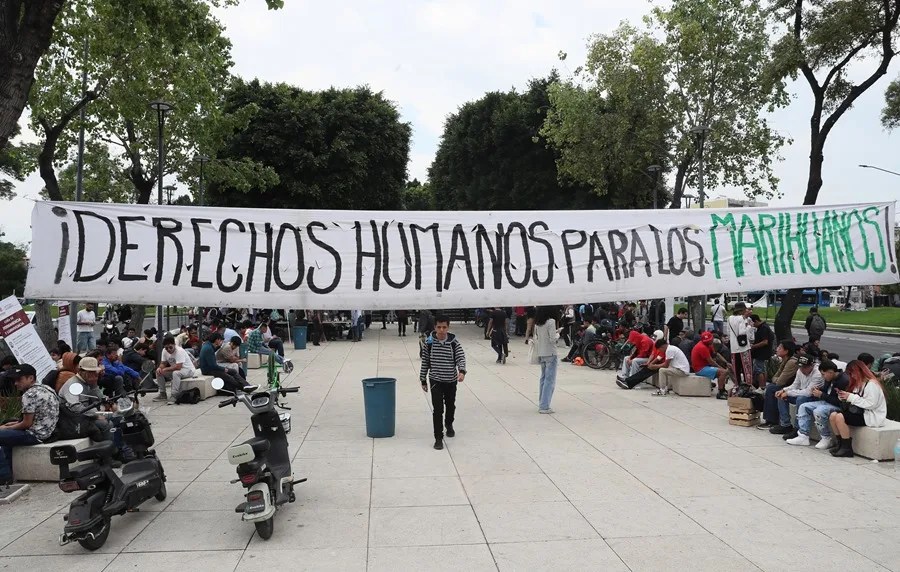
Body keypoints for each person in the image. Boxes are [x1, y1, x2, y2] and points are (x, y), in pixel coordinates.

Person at [0, 364, 60, 485]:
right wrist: (10, 425)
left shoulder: (29, 395)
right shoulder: (47, 388)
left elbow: (26, 424)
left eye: (19, 379)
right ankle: (10, 471)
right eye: (14, 380)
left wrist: (5, 428)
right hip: (48, 431)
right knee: (6, 432)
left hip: (36, 434)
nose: (16, 383)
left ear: (31, 378)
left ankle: (4, 477)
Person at [419, 315, 466, 450]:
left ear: (448, 327)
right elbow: (425, 363)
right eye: (439, 327)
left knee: (450, 406)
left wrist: (462, 371)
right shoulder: (429, 343)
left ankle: (449, 423)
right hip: (435, 380)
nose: (441, 330)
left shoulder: (453, 342)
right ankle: (438, 437)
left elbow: (460, 357)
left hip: (451, 381)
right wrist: (423, 379)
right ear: (435, 327)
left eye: (444, 327)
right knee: (437, 410)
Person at [828, 360, 887, 457]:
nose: (852, 376)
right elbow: (855, 398)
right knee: (833, 415)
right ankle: (841, 444)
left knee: (839, 417)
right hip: (861, 412)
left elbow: (870, 404)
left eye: (852, 373)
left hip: (871, 415)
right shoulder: (861, 383)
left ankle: (846, 448)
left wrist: (850, 397)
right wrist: (844, 396)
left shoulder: (871, 384)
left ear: (858, 371)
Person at [788, 360, 848, 447]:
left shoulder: (843, 381)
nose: (823, 377)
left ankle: (826, 438)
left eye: (823, 374)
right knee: (803, 406)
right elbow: (827, 392)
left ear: (830, 372)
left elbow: (840, 401)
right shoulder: (829, 378)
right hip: (826, 402)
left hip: (837, 406)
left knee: (819, 411)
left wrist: (821, 395)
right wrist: (819, 390)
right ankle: (803, 435)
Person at [769, 354, 823, 438]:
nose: (802, 369)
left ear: (812, 365)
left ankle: (797, 428)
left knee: (801, 399)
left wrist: (788, 393)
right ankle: (785, 424)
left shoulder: (818, 374)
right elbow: (795, 385)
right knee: (781, 396)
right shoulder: (800, 370)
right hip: (801, 393)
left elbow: (808, 392)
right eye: (800, 367)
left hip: (814, 397)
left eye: (805, 367)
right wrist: (784, 390)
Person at [759, 340, 801, 428]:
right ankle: (771, 419)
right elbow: (775, 377)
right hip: (787, 385)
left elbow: (780, 381)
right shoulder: (784, 360)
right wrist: (775, 379)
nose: (777, 349)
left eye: (780, 348)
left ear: (786, 351)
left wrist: (775, 380)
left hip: (796, 388)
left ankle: (772, 421)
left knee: (771, 388)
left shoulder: (791, 362)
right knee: (771, 386)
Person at [532, 307, 561, 414]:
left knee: (543, 379)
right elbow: (553, 339)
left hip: (542, 352)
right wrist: (558, 333)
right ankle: (544, 406)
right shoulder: (551, 322)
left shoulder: (537, 323)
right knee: (550, 380)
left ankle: (542, 402)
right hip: (551, 353)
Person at [154, 336, 197, 405]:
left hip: (188, 370)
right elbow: (163, 363)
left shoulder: (179, 351)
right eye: (166, 348)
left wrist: (165, 369)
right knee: (158, 372)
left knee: (176, 373)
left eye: (170, 347)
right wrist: (160, 368)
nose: (168, 349)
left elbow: (178, 367)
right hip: (176, 369)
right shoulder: (164, 351)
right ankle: (162, 393)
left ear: (174, 345)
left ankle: (174, 395)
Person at [692, 331, 729, 399]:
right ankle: (720, 392)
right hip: (700, 369)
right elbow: (711, 361)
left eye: (709, 340)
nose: (708, 342)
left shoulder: (709, 345)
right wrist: (722, 369)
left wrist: (726, 363)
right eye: (707, 341)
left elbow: (716, 354)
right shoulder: (702, 347)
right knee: (723, 372)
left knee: (723, 371)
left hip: (705, 366)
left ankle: (723, 389)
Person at [727, 302, 753, 386]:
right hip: (743, 347)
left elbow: (728, 332)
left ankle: (737, 385)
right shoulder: (741, 319)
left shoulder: (729, 318)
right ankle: (747, 385)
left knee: (736, 368)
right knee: (746, 368)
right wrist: (749, 327)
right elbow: (742, 333)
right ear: (742, 310)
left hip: (734, 347)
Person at [749, 314, 774, 389]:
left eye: (752, 323)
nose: (751, 325)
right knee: (762, 369)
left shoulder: (764, 328)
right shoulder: (762, 327)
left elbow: (765, 342)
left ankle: (762, 386)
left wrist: (753, 346)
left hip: (761, 353)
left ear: (756, 321)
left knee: (759, 370)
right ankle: (763, 386)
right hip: (762, 353)